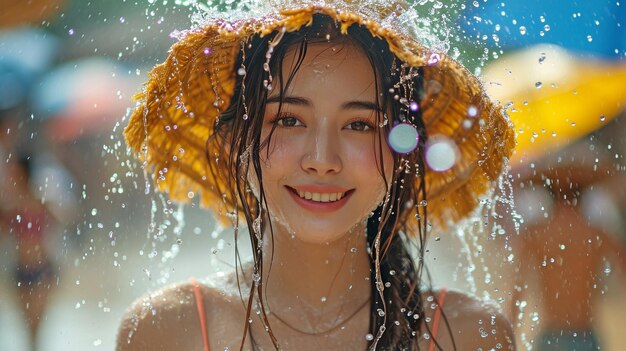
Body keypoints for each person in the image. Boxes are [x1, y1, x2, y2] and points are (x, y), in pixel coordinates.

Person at [117, 1, 516, 350]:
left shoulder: (468, 335)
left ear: (404, 152)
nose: (322, 160)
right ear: (234, 141)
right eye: (289, 119)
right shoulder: (166, 331)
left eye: (360, 125)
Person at [510, 136, 626, 351]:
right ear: (583, 193)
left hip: (550, 337)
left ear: (549, 193)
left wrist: (506, 338)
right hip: (586, 336)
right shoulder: (597, 234)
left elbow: (517, 291)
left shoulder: (534, 235)